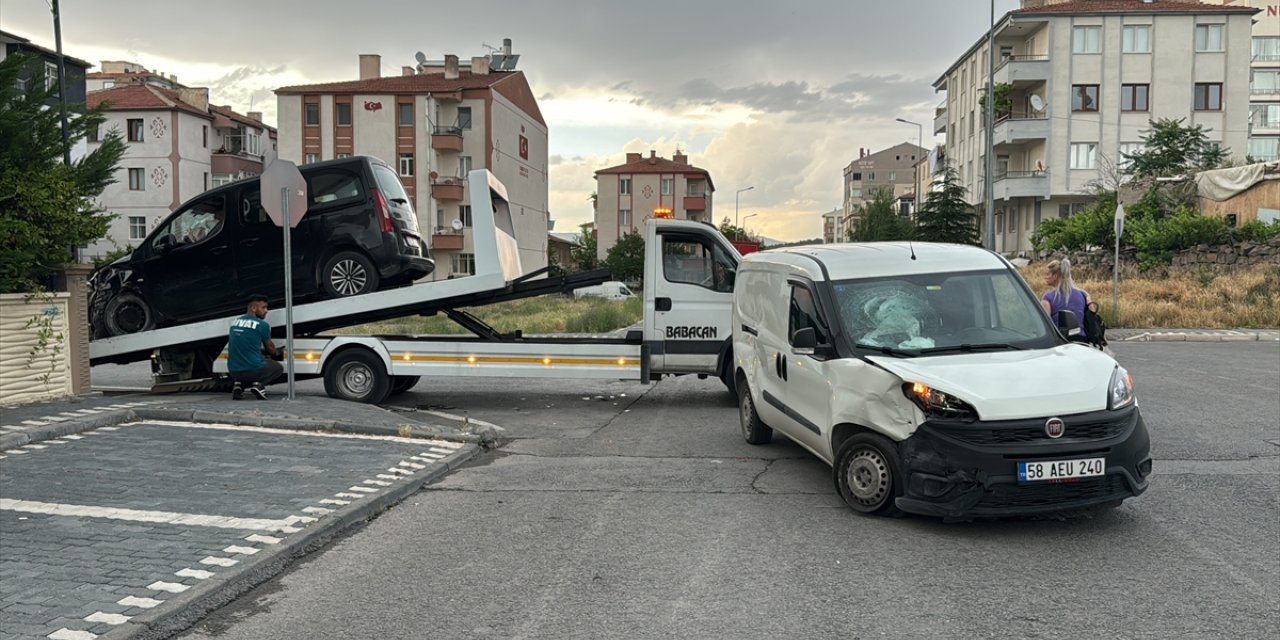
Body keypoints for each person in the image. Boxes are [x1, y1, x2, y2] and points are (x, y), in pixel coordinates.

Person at [227, 294, 283, 400]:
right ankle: (258, 386)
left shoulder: (235, 322)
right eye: (263, 307)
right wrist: (277, 352)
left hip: (233, 371)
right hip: (251, 370)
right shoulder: (262, 325)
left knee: (253, 361)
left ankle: (238, 386)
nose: (266, 311)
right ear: (253, 308)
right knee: (277, 367)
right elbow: (270, 348)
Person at [1040, 258, 1091, 341]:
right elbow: (1092, 318)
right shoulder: (1084, 295)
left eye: (1048, 274)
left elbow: (1044, 325)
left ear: (1055, 276)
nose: (1045, 277)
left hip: (1061, 341)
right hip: (1083, 341)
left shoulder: (1048, 298)